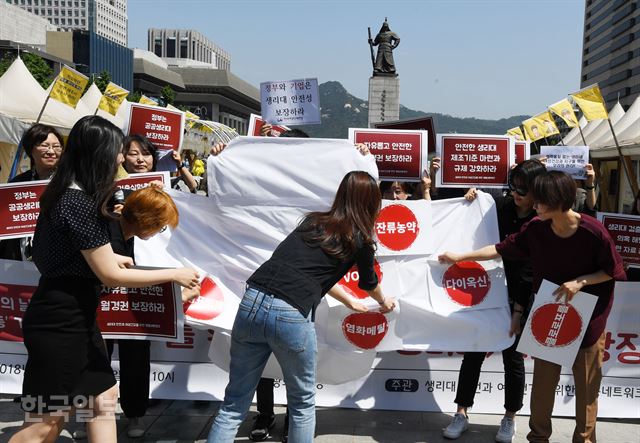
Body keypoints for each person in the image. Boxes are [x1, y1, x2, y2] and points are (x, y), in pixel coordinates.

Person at [9, 116, 200, 443]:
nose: (120, 159)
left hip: (74, 320)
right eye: (116, 152)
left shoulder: (67, 196)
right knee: (44, 424)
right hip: (61, 326)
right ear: (97, 153)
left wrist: (110, 259)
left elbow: (57, 257)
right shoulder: (76, 202)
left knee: (103, 400)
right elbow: (108, 274)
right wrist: (175, 275)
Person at [206, 171, 396, 443]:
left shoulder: (313, 222)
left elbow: (302, 269)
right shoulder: (361, 239)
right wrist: (382, 300)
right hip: (290, 312)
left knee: (234, 402)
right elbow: (369, 283)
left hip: (252, 301)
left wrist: (348, 301)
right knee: (302, 403)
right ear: (372, 202)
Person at [439, 170, 626, 443]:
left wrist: (581, 282)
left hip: (589, 319)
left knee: (586, 390)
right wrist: (459, 256)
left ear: (556, 199)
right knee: (542, 389)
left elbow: (614, 270)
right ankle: (539, 438)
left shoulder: (593, 232)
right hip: (550, 314)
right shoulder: (536, 229)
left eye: (538, 198)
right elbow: (501, 248)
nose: (533, 204)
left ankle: (584, 440)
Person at [442, 159, 546, 442]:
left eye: (523, 189)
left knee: (512, 359)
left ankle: (510, 417)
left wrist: (517, 310)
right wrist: (471, 198)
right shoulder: (498, 206)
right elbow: (459, 217)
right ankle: (461, 411)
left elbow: (527, 271)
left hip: (518, 295)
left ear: (538, 190)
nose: (516, 194)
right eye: (513, 187)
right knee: (473, 351)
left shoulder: (540, 222)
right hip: (485, 289)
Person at [0, 124, 64, 261]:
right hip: (19, 260)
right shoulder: (17, 184)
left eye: (57, 146)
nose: (51, 151)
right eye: (45, 145)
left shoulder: (69, 183)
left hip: (56, 258)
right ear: (30, 150)